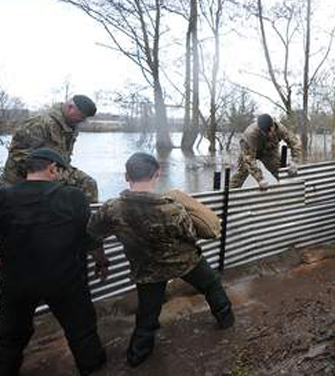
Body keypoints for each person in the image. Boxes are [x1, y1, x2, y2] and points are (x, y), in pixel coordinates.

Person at [87, 153, 235, 368]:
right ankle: (226, 321)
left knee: (148, 314)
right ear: (157, 174)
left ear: (126, 176)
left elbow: (93, 233)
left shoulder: (112, 209)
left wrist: (100, 259)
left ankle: (137, 355)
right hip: (185, 262)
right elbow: (190, 236)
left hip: (147, 270)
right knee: (212, 285)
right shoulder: (173, 207)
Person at [0, 148, 108, 376]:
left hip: (17, 281)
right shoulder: (73, 197)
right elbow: (89, 236)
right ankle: (92, 366)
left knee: (10, 336)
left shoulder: (4, 197)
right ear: (52, 168)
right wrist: (101, 261)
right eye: (60, 171)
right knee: (81, 330)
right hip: (65, 280)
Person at [1, 95, 99, 202]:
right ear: (70, 108)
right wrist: (46, 173)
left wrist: (57, 174)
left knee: (88, 183)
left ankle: (86, 212)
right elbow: (19, 158)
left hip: (53, 173)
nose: (82, 121)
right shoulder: (39, 123)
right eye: (81, 116)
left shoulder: (71, 127)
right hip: (24, 179)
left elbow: (64, 158)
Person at [230, 114, 302, 190]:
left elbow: (295, 143)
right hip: (250, 152)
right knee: (240, 174)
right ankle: (231, 193)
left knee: (280, 171)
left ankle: (288, 190)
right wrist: (260, 179)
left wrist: (295, 160)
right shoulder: (250, 134)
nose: (269, 134)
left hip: (268, 152)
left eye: (270, 130)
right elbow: (249, 159)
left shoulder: (280, 128)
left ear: (273, 125)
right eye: (265, 132)